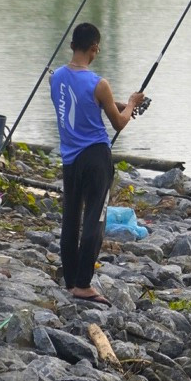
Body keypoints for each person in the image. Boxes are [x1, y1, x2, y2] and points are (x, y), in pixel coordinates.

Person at [49, 22, 146, 302]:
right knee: (95, 217)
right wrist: (130, 103)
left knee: (71, 218)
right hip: (95, 158)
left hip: (70, 159)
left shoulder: (56, 78)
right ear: (94, 48)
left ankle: (71, 281)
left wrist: (116, 103)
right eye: (97, 49)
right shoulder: (98, 83)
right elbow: (119, 123)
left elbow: (81, 105)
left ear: (71, 46)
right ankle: (83, 284)